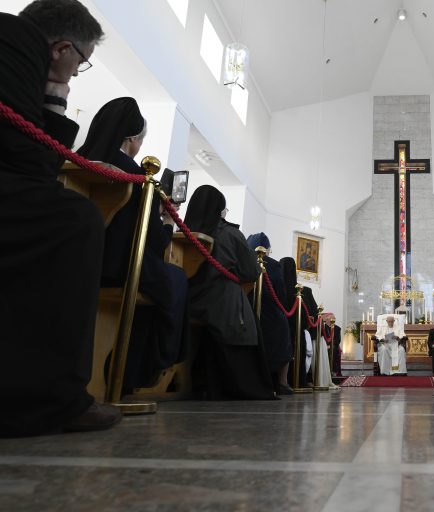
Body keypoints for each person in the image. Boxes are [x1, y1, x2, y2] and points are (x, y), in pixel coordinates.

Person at [0, 0, 125, 436]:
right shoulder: (14, 40)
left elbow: (33, 164)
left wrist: (53, 95)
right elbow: (30, 165)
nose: (76, 72)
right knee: (77, 221)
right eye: (81, 62)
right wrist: (55, 95)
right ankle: (55, 398)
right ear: (61, 48)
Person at [78, 97, 189, 392]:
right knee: (175, 279)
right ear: (131, 139)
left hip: (73, 261)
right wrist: (167, 220)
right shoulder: (138, 176)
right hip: (119, 267)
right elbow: (153, 243)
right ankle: (147, 372)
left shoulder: (76, 159)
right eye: (141, 141)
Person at [183, 186, 275, 400]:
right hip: (221, 301)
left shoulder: (184, 230)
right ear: (220, 209)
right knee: (242, 313)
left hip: (188, 299)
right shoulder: (229, 234)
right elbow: (252, 270)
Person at [246, 232, 293, 395]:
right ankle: (282, 382)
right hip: (271, 310)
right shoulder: (273, 264)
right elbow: (280, 293)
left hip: (246, 307)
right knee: (284, 332)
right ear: (268, 250)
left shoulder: (245, 258)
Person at [280, 256, 309, 388]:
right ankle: (299, 381)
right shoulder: (298, 292)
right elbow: (304, 317)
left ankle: (282, 382)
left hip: (282, 329)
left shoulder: (277, 288)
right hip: (296, 330)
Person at [323, 313, 343, 377]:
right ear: (327, 319)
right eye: (331, 318)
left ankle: (333, 370)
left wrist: (330, 345)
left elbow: (338, 340)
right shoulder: (323, 327)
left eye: (334, 319)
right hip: (324, 345)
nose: (333, 320)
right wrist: (326, 345)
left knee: (334, 349)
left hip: (333, 346)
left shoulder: (337, 328)